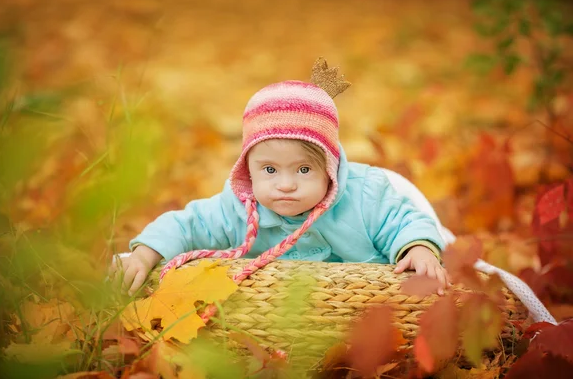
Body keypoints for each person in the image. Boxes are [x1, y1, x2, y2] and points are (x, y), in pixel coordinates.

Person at [113, 58, 453, 296]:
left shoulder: (366, 196)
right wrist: (144, 254)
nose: (286, 184)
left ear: (330, 166)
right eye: (269, 170)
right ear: (248, 168)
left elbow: (403, 218)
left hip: (358, 304)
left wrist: (420, 247)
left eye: (304, 170)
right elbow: (187, 225)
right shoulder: (238, 207)